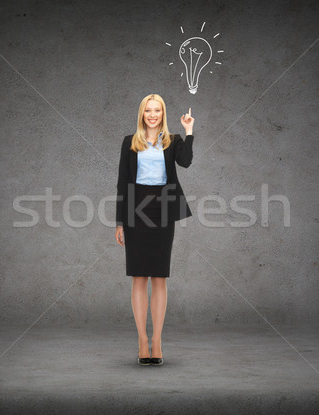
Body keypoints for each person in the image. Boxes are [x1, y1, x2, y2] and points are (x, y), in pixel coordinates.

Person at [115, 94, 195, 366]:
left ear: (163, 113)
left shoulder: (172, 140)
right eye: (148, 110)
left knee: (159, 277)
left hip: (163, 209)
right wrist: (119, 222)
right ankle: (141, 340)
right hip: (135, 210)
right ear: (142, 114)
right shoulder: (130, 141)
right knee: (139, 276)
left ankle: (157, 341)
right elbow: (122, 182)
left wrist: (189, 131)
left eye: (157, 110)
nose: (152, 115)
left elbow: (185, 162)